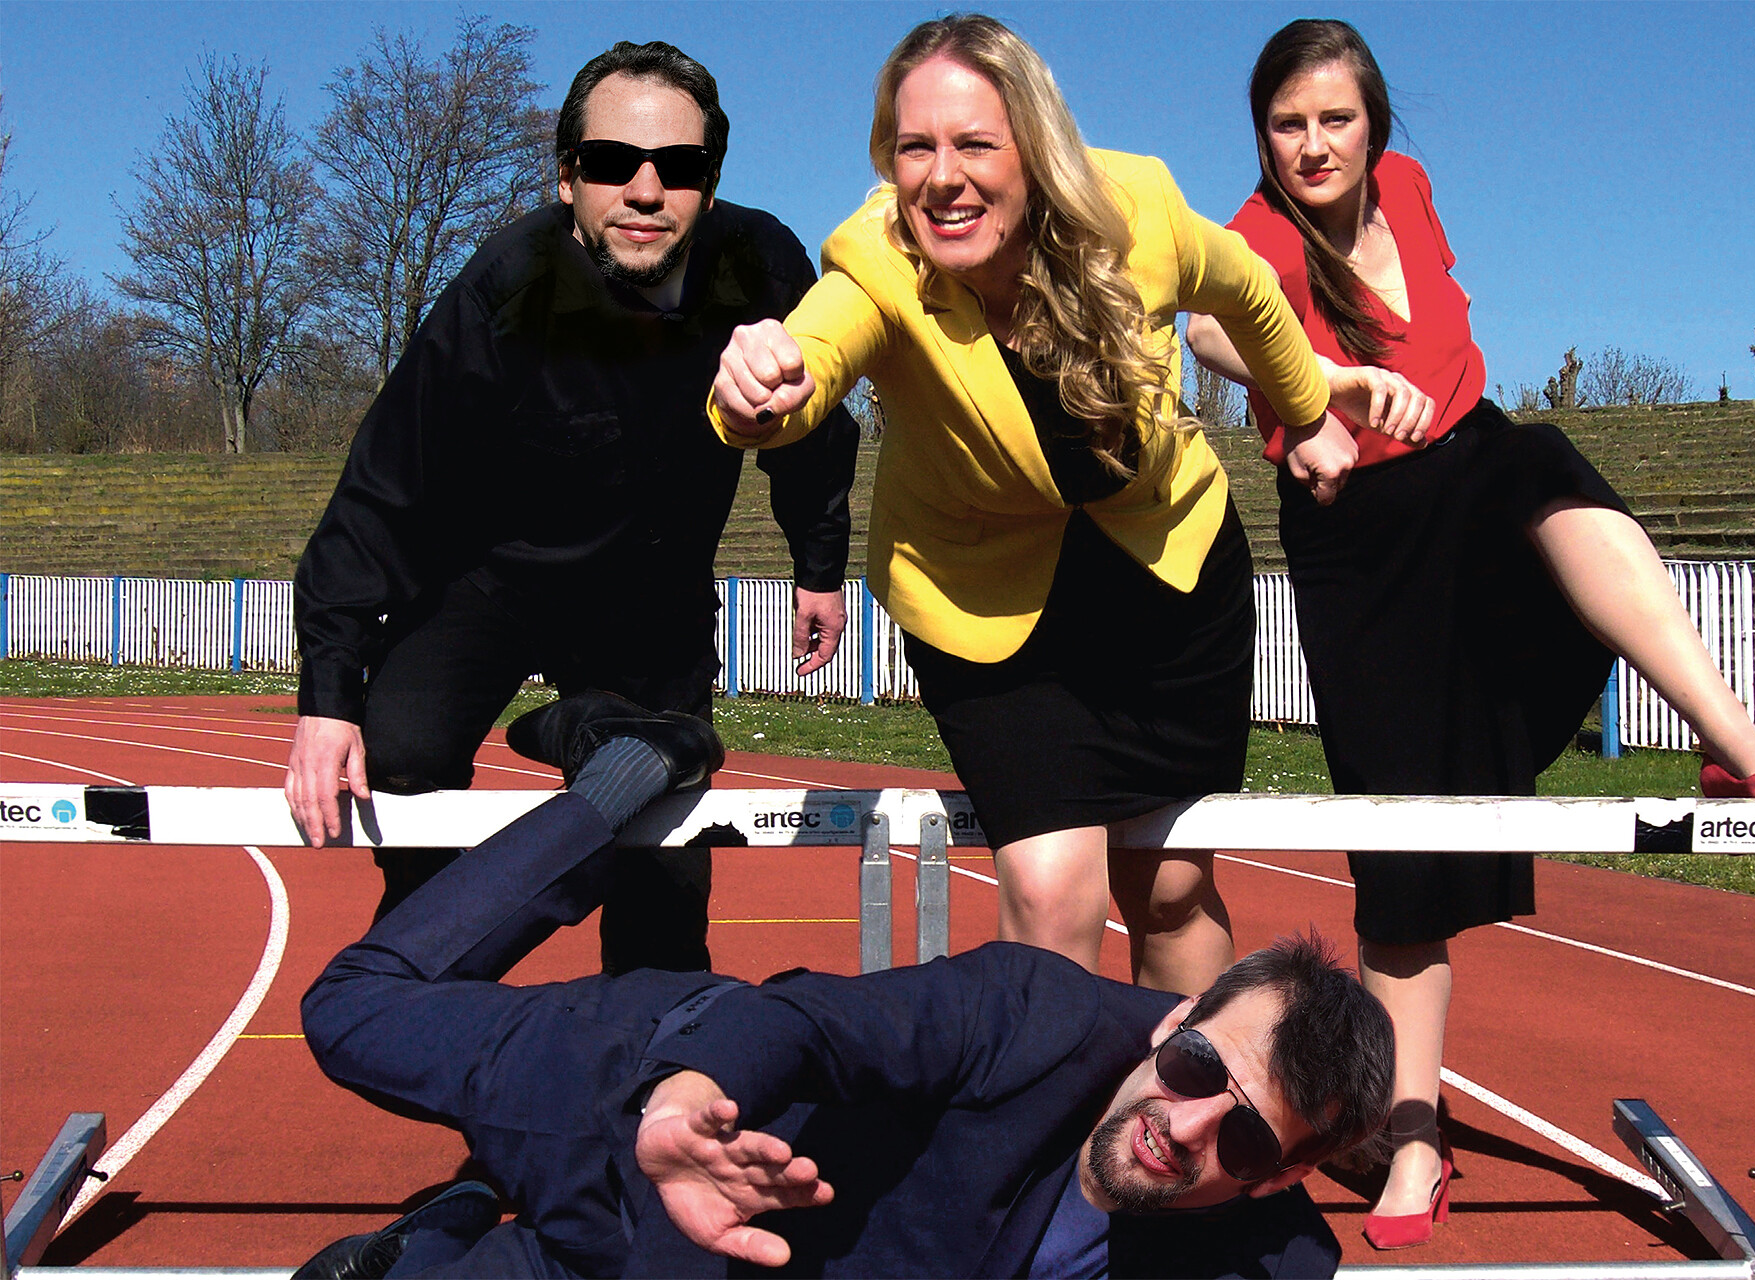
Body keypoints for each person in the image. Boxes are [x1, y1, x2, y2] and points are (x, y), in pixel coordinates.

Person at [1184, 18, 1755, 1251]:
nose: (1314, 146)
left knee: (1544, 463)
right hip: (1362, 540)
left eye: (1335, 119)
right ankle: (1414, 1136)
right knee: (1405, 853)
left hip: (1473, 481)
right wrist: (1308, 388)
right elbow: (1212, 325)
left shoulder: (1414, 188)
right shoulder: (1253, 236)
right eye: (1287, 125)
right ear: (1260, 138)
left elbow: (1446, 317)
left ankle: (1737, 738)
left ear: (1375, 124)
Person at [709, 14, 1400, 995]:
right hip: (986, 604)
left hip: (1168, 574)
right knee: (1051, 889)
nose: (942, 178)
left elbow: (1247, 289)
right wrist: (758, 392)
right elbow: (812, 357)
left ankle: (1177, 1090)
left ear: (1033, 148)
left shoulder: (1136, 209)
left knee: (1169, 886)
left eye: (974, 144)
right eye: (915, 147)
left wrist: (1308, 411)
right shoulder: (876, 262)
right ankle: (1052, 1098)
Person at [297, 694, 1397, 1280]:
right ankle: (619, 775)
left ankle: (445, 1220)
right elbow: (812, 1021)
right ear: (1175, 1019)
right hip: (621, 1091)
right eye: (1197, 1068)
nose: (1184, 1126)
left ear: (1283, 1176)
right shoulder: (1043, 1014)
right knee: (348, 1011)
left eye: (1244, 1137)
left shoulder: (1270, 1255)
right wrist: (686, 1095)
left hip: (690, 1252)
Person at [285, 40, 860, 974]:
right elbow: (388, 482)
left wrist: (819, 566)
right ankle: (427, 971)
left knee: (663, 879)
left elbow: (816, 424)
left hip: (652, 590)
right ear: (567, 178)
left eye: (678, 168)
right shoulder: (505, 286)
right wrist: (327, 693)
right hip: (489, 574)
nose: (645, 191)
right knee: (398, 755)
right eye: (611, 163)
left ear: (710, 184)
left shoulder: (760, 265)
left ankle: (643, 1042)